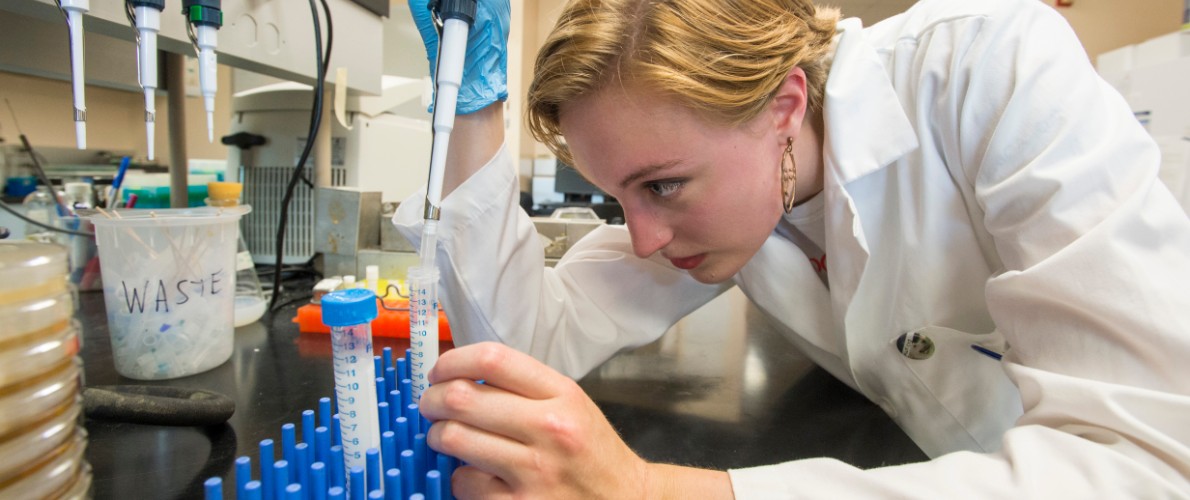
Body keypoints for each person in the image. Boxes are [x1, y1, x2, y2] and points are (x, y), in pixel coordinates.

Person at [395, 0, 1190, 496]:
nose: (640, 236)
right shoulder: (732, 201)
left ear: (785, 105)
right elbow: (520, 353)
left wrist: (650, 492)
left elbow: (1145, 468)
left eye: (663, 186)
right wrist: (473, 108)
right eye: (617, 196)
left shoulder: (993, 67)